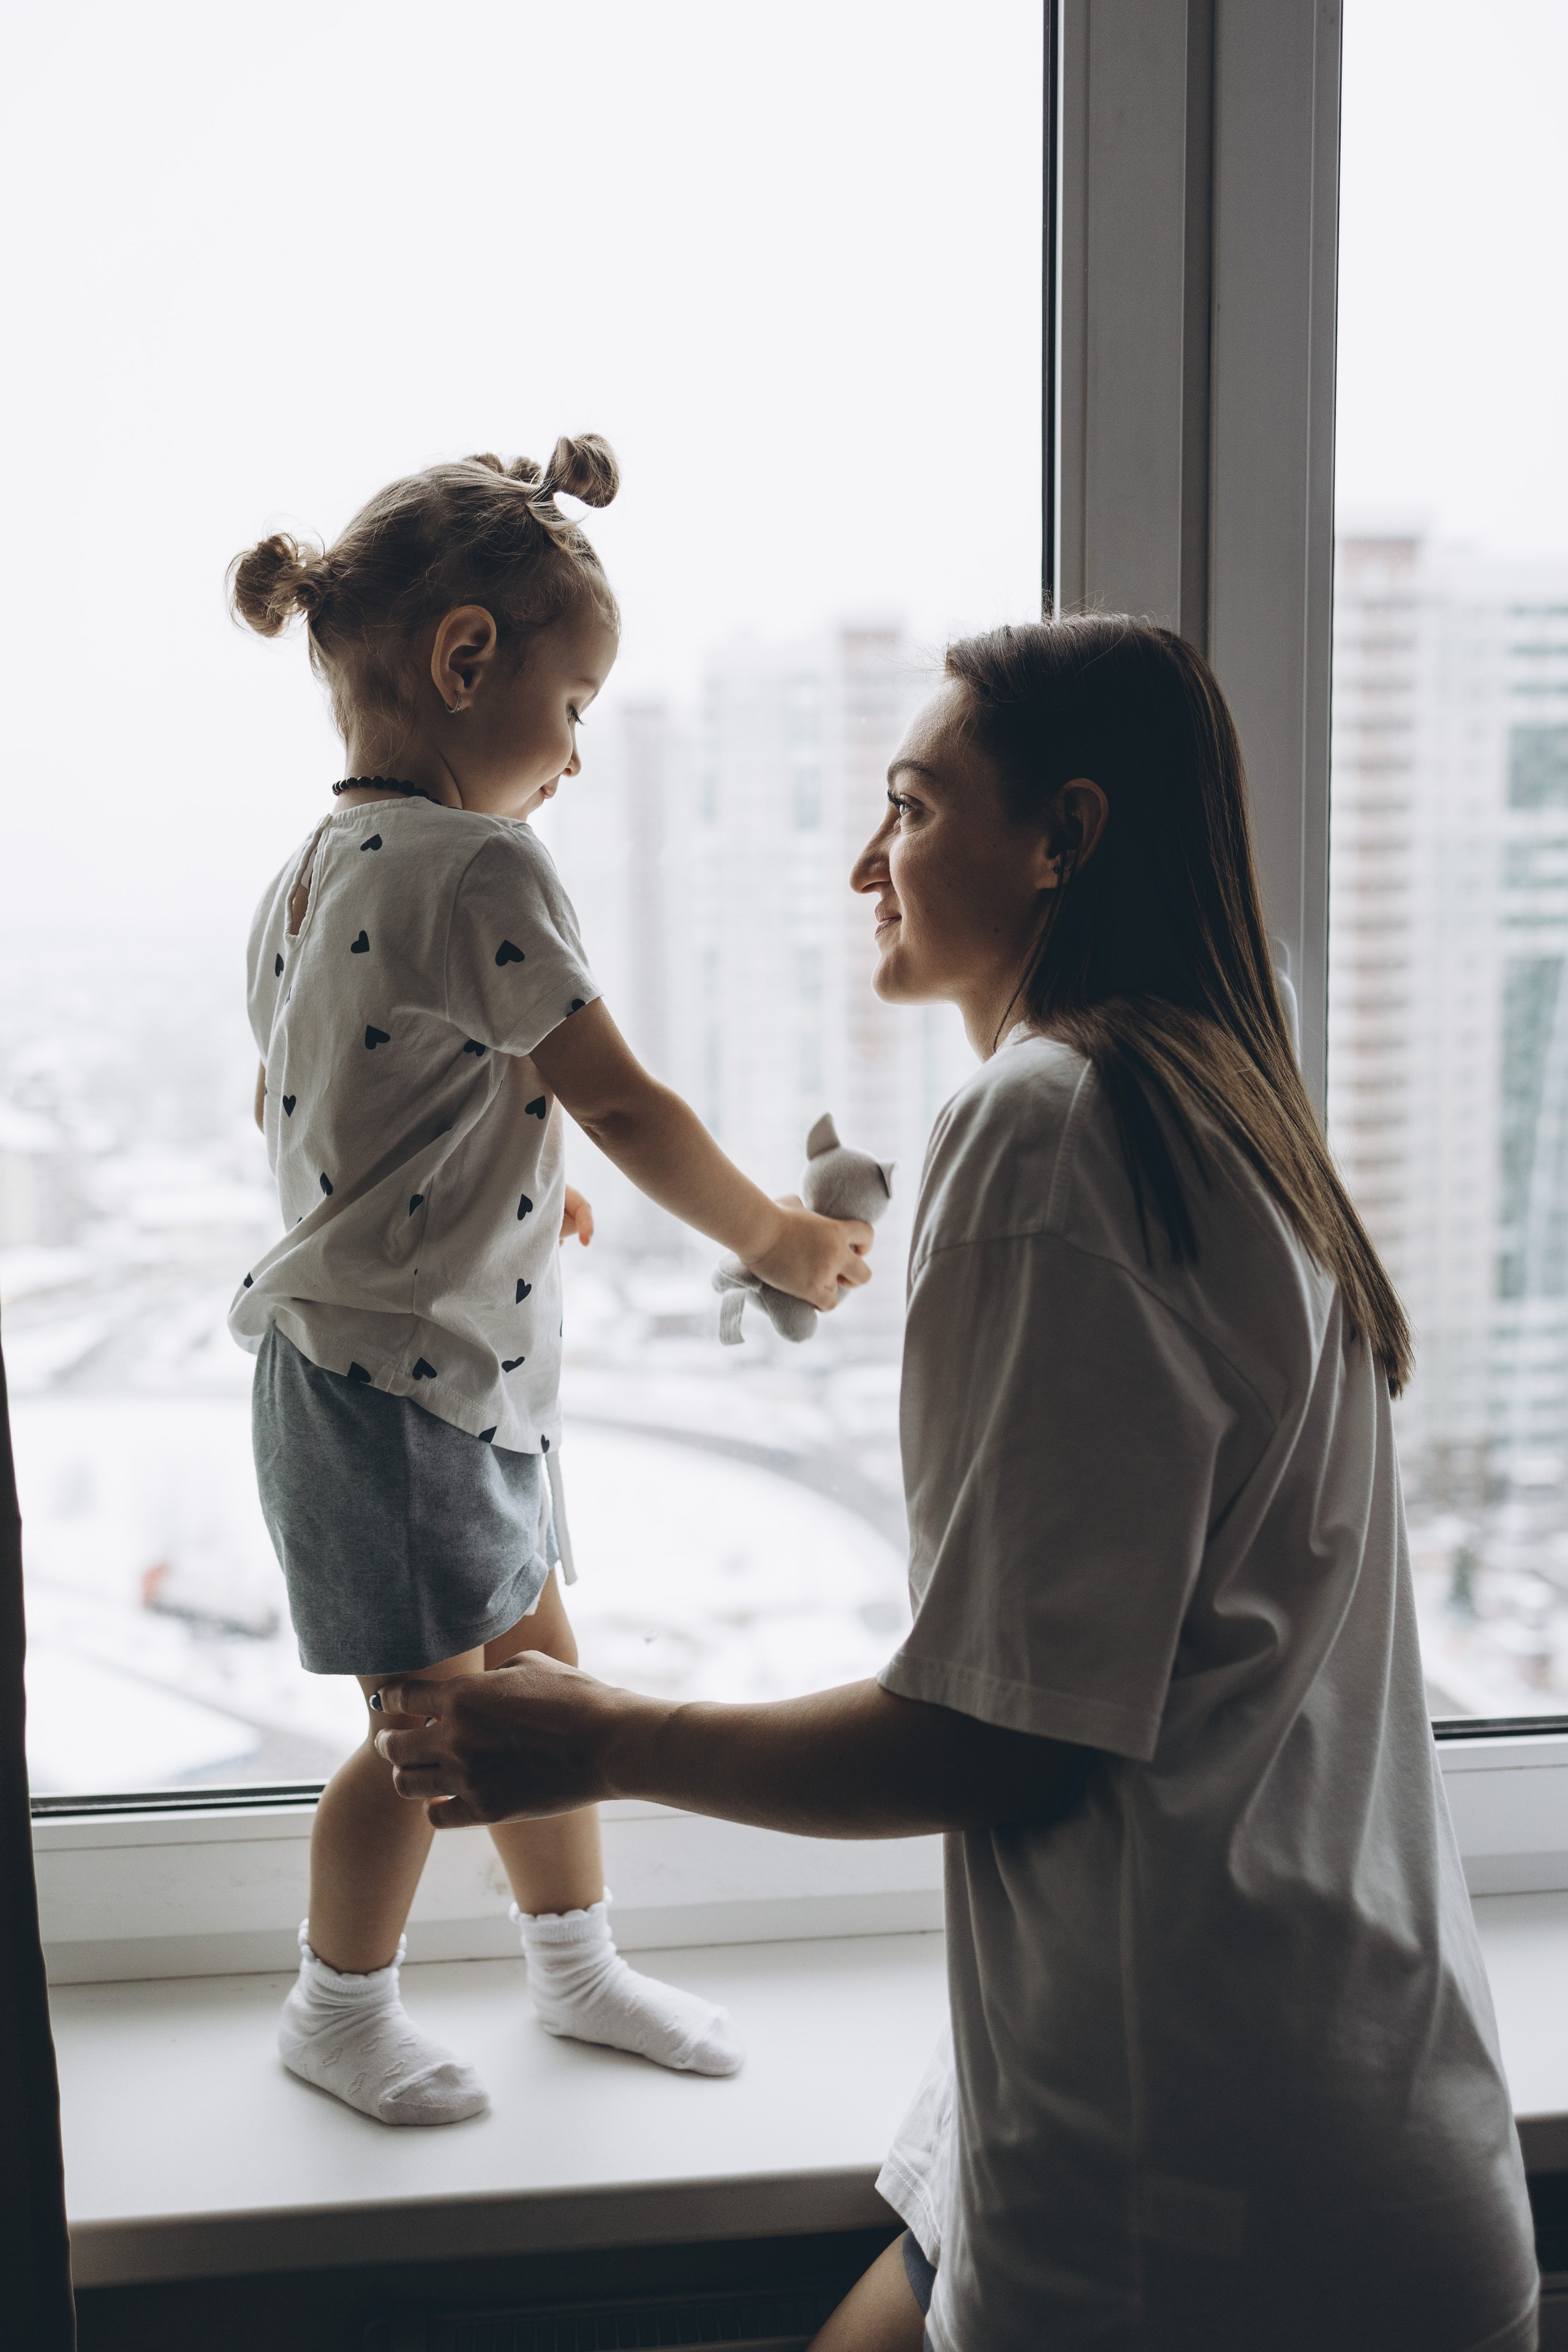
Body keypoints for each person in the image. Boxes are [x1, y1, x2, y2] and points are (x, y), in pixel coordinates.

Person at [369, 616, 1539, 2350]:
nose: (866, 862)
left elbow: (1005, 1734)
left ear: (1063, 839)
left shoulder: (1051, 1125)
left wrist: (601, 1740)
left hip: (1199, 2201)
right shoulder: (1222, 1107)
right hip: (1333, 2109)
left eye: (913, 809)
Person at [226, 437, 873, 2128]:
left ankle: (575, 1968)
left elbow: (334, 1116)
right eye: (573, 704)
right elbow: (626, 1098)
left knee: (538, 1695)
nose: (577, 752)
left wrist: (517, 1200)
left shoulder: (307, 879)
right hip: (395, 1387)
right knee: (431, 1729)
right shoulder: (480, 869)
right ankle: (335, 2006)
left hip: (430, 1366)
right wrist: (778, 1239)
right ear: (465, 662)